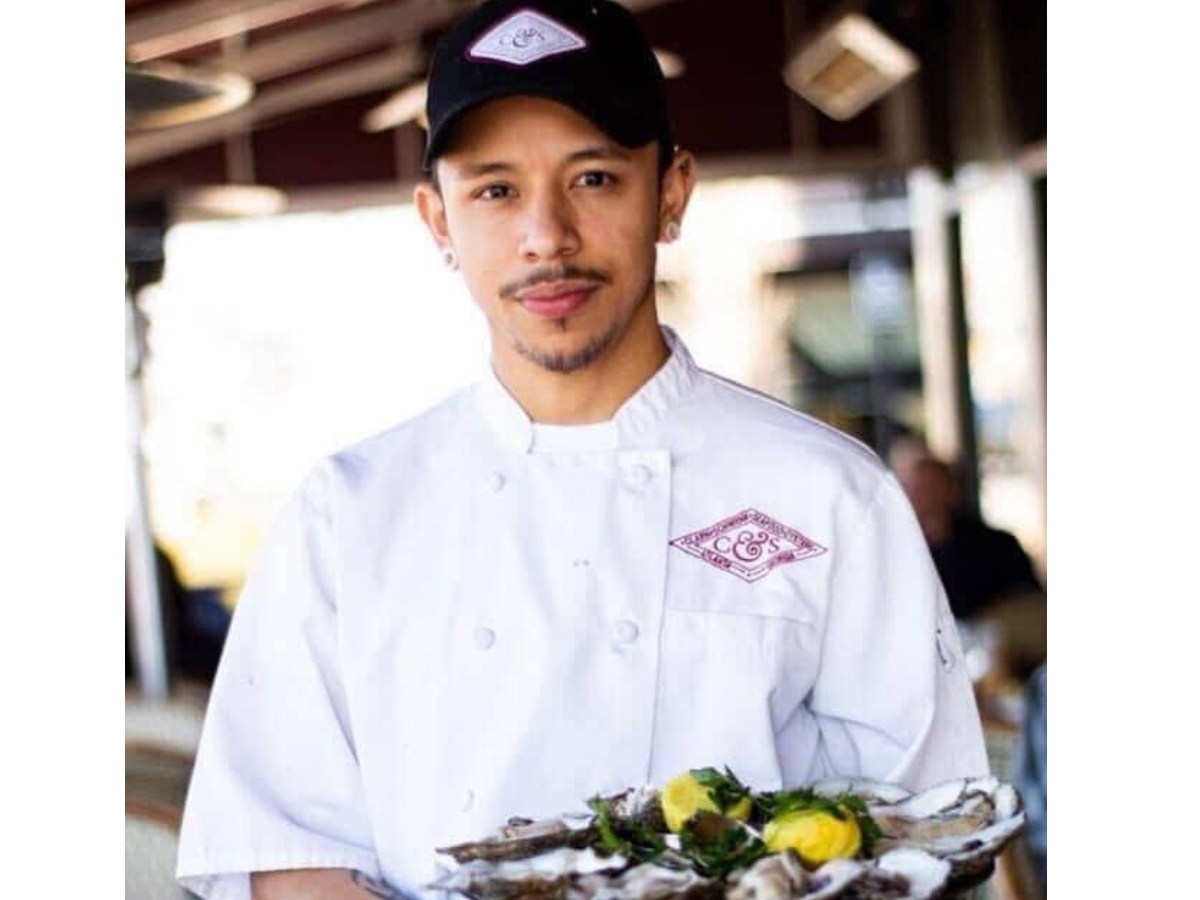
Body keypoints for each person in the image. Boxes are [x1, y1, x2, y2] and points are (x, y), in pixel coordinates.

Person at [176, 2, 989, 897]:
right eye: (494, 190)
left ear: (671, 193)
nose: (546, 237)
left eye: (594, 178)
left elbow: (925, 833)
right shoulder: (350, 512)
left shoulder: (827, 495)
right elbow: (283, 853)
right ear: (437, 221)